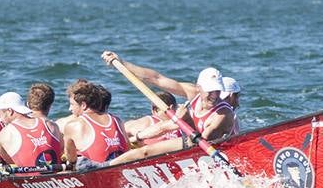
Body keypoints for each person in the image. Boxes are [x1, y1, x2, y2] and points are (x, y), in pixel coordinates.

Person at [101, 52, 236, 144]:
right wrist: (122, 63)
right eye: (210, 90)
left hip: (202, 148)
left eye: (217, 91)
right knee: (162, 128)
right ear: (199, 87)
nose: (214, 95)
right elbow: (156, 78)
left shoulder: (222, 114)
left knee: (146, 152)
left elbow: (202, 141)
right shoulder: (193, 92)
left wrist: (187, 119)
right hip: (186, 139)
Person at [62, 82, 128, 169]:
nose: (70, 108)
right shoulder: (117, 120)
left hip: (98, 176)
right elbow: (127, 148)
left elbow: (71, 159)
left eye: (72, 104)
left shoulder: (73, 125)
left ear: (83, 105)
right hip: (123, 171)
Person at [0, 91, 62, 168]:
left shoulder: (3, 135)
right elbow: (61, 149)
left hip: (29, 178)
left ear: (10, 111)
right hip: (58, 178)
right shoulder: (51, 125)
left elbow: (10, 162)